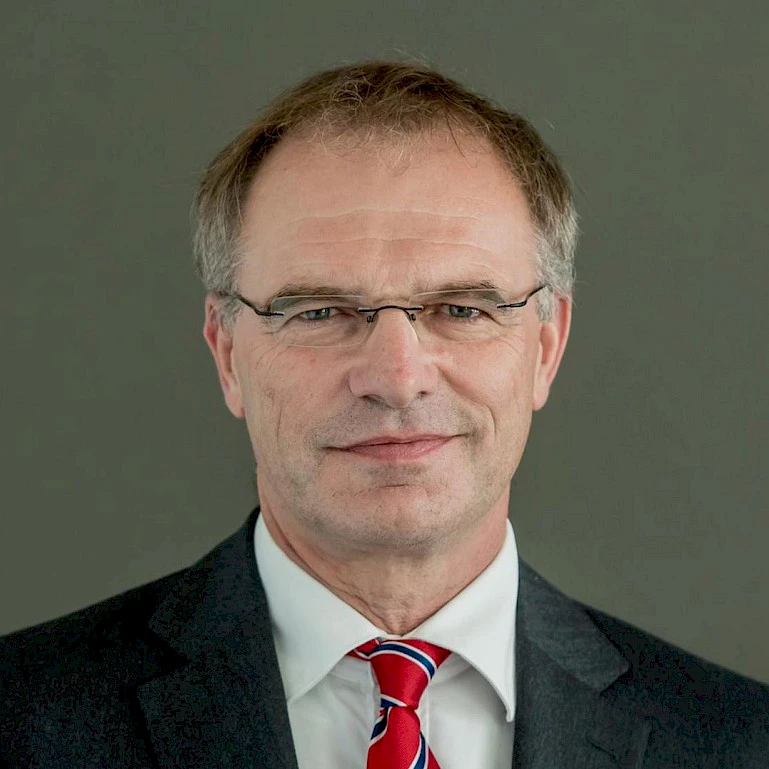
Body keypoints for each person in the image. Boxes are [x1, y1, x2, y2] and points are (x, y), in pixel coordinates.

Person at [1, 61, 767, 769]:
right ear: (227, 352)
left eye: (460, 308)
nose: (397, 379)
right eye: (320, 311)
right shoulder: (21, 718)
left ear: (545, 346)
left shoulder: (738, 741)